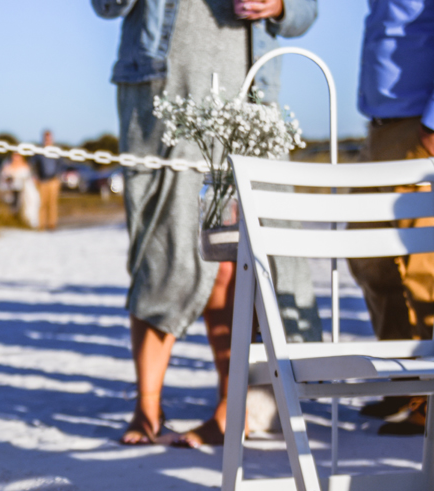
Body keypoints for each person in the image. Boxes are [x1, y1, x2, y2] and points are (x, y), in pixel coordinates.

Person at [92, 0, 318, 447]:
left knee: (231, 261)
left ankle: (229, 408)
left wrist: (278, 5)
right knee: (159, 256)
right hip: (162, 95)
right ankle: (147, 408)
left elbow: (305, 13)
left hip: (249, 96)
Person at [347, 0, 434, 434]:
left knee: (424, 266)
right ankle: (404, 380)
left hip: (423, 127)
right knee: (368, 256)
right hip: (382, 127)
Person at [0, 152, 41, 228]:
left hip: (25, 191)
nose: (16, 158)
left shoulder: (26, 167)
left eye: (18, 156)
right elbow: (3, 180)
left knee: (30, 201)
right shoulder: (7, 166)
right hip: (12, 191)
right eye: (14, 155)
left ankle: (29, 222)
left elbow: (31, 181)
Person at [32, 130, 63, 230]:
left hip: (53, 180)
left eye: (49, 138)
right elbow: (32, 164)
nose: (47, 140)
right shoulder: (39, 151)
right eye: (46, 138)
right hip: (42, 180)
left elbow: (61, 164)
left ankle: (52, 224)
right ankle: (41, 224)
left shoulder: (56, 151)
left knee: (52, 203)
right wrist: (35, 176)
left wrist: (58, 175)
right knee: (42, 203)